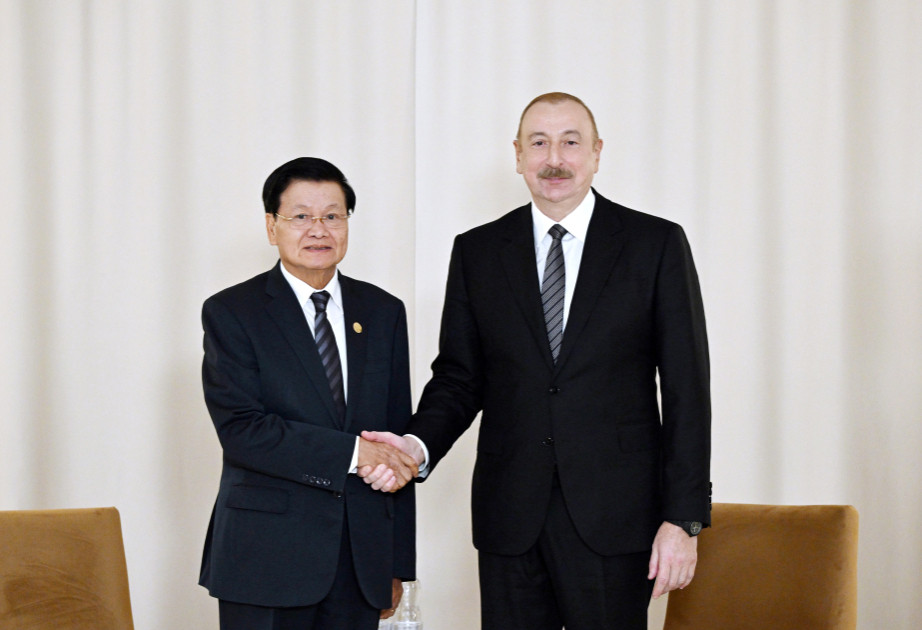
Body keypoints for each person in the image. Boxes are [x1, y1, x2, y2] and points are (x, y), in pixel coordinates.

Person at [361, 93, 711, 629]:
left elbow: (688, 389)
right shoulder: (478, 251)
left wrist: (683, 519)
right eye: (539, 143)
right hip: (510, 516)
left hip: (616, 516)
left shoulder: (654, 244)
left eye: (570, 142)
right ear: (518, 155)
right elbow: (459, 377)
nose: (555, 159)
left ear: (596, 153)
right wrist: (416, 444)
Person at [198, 157, 418, 630]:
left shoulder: (383, 312)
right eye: (301, 216)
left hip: (360, 561)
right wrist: (355, 453)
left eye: (332, 216)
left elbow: (395, 440)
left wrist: (397, 563)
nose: (319, 229)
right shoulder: (232, 312)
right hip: (266, 558)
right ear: (271, 226)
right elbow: (242, 430)